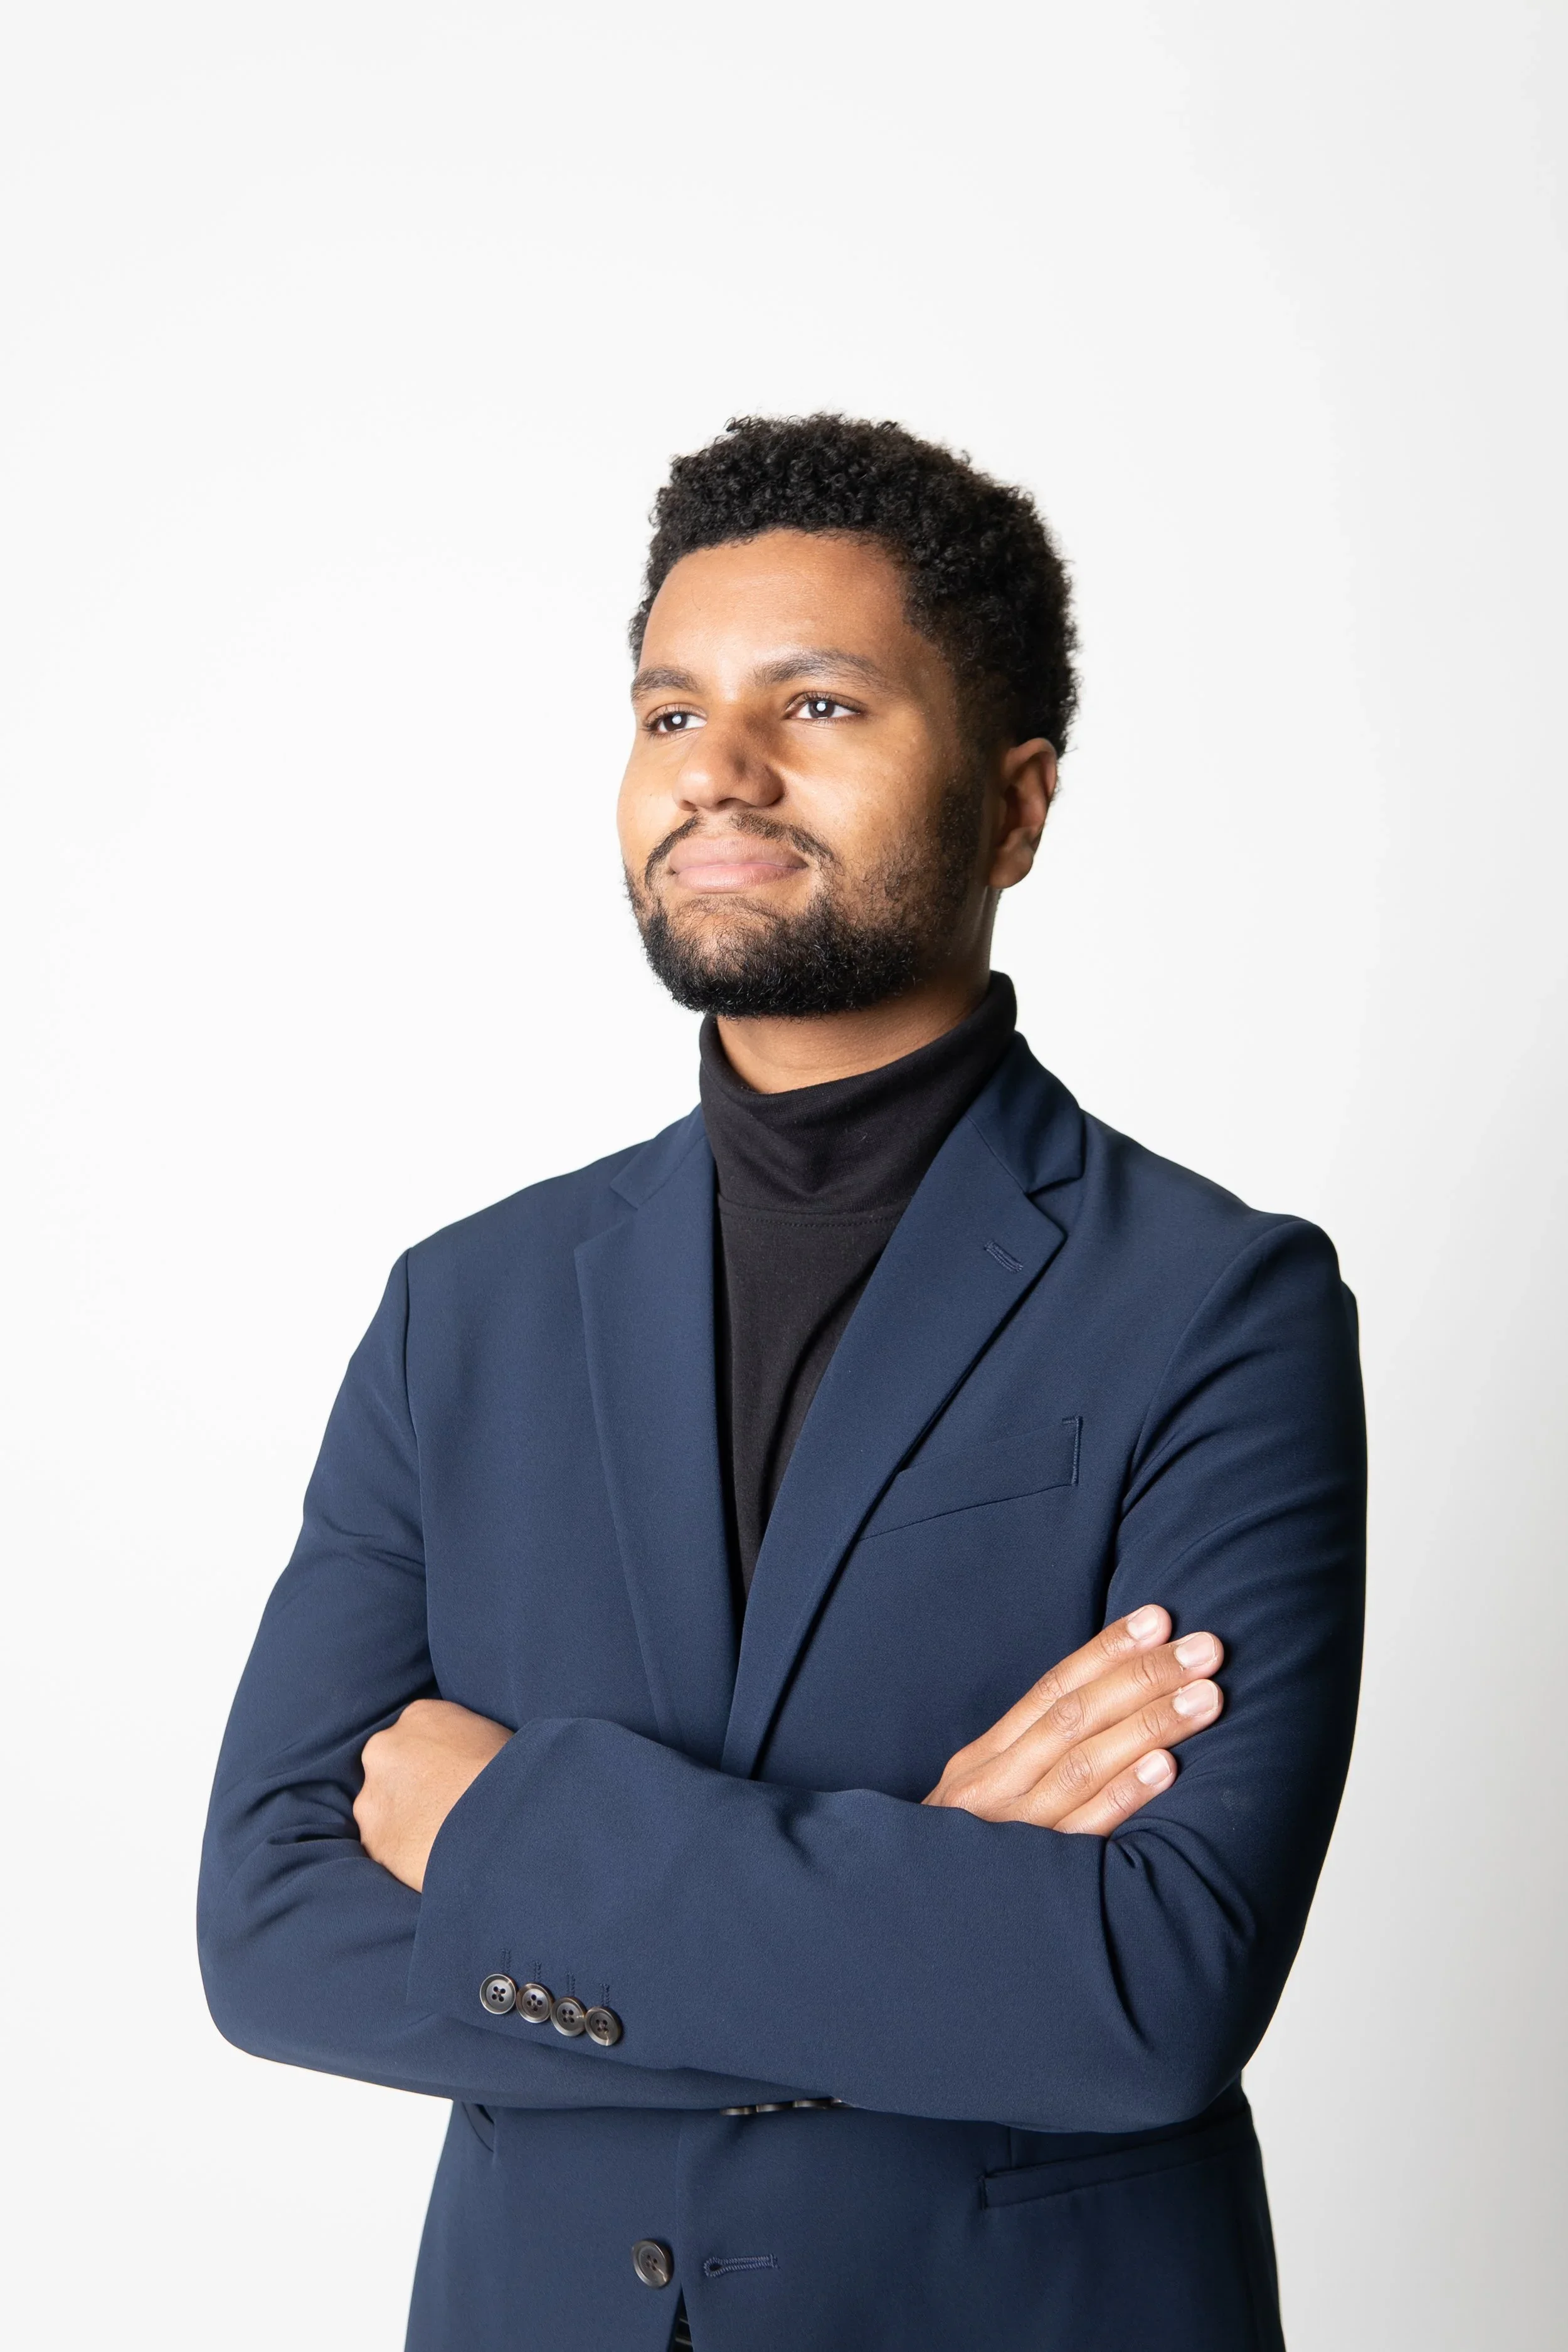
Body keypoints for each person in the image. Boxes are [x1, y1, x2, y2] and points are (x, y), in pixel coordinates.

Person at [199, 414, 1365, 2352]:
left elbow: (1145, 1990)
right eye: (669, 714)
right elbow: (269, 1930)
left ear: (1016, 807)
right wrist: (926, 1920)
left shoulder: (1216, 1305)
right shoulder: (464, 1308)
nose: (719, 771)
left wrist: (513, 1850)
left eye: (814, 701)